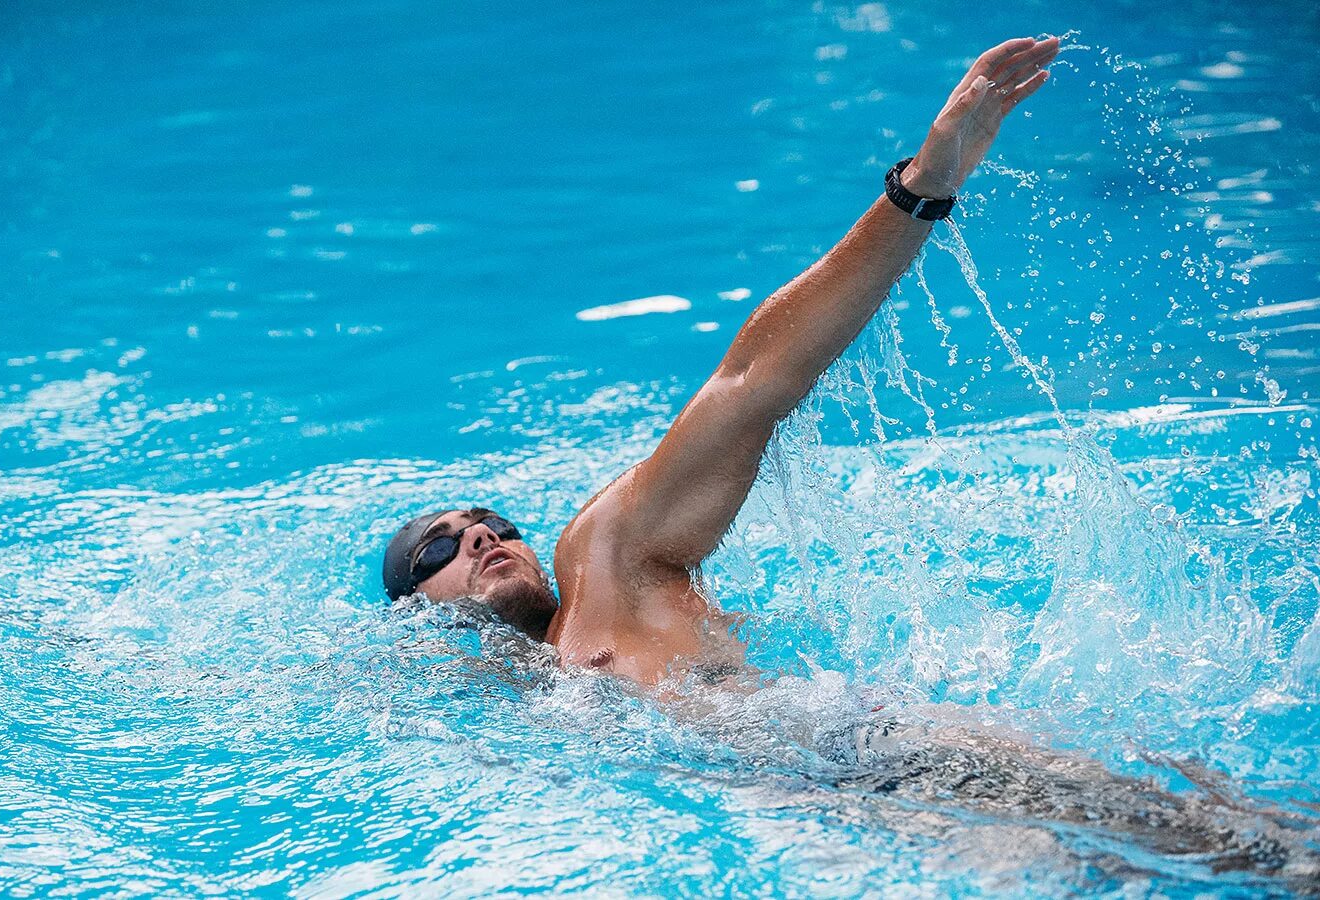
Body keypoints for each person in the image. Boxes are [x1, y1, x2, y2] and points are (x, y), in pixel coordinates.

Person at [381, 37, 1062, 686]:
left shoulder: (605, 565)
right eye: (437, 548)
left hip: (877, 765)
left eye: (494, 525)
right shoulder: (507, 700)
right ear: (410, 612)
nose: (480, 538)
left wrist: (918, 191)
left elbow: (748, 385)